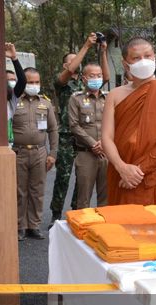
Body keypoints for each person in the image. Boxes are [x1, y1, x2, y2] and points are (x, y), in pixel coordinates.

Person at [101, 37, 156, 208]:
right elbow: (106, 137)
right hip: (121, 172)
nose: (143, 61)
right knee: (121, 221)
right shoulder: (115, 95)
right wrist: (122, 167)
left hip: (154, 173)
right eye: (136, 58)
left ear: (154, 58)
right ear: (126, 64)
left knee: (153, 222)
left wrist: (140, 170)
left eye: (147, 56)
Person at [49, 32, 111, 224]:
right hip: (68, 137)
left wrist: (102, 51)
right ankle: (56, 214)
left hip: (90, 142)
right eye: (73, 60)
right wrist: (86, 46)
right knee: (63, 178)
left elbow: (105, 76)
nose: (77, 62)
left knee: (83, 182)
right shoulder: (63, 83)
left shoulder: (92, 84)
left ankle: (77, 213)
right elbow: (71, 69)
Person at [12, 68, 59, 240]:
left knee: (37, 190)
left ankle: (34, 225)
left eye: (36, 82)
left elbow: (53, 129)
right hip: (19, 152)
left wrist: (52, 153)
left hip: (40, 152)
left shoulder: (45, 103)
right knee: (19, 190)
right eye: (30, 82)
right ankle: (20, 225)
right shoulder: (14, 102)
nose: (34, 85)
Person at [68, 63, 108, 209]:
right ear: (84, 78)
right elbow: (74, 125)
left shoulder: (108, 97)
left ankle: (104, 223)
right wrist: (93, 144)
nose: (96, 78)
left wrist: (104, 143)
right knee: (83, 198)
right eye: (92, 76)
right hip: (86, 154)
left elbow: (115, 123)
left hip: (106, 153)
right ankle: (83, 223)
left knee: (106, 197)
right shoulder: (76, 98)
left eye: (99, 75)